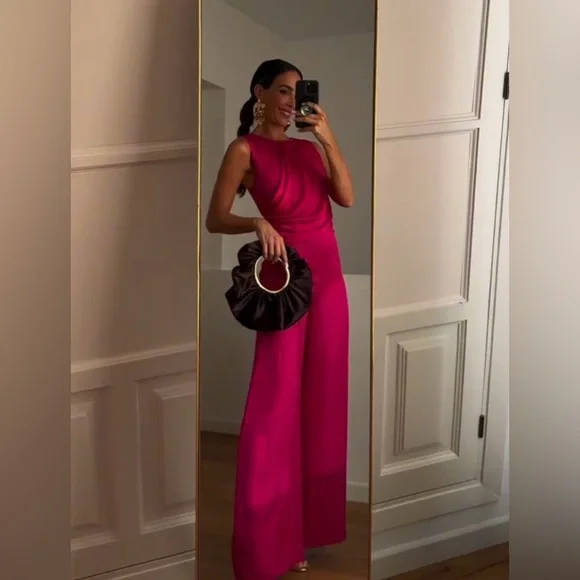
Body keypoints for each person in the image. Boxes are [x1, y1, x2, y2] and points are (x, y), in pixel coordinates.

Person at [205, 58, 354, 580]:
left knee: (322, 403)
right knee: (275, 406)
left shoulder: (311, 149)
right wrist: (257, 221)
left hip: (330, 284)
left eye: (298, 92)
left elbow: (346, 197)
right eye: (284, 91)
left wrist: (328, 137)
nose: (292, 101)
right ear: (259, 92)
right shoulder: (244, 149)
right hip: (287, 283)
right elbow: (215, 217)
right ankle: (266, 542)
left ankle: (301, 534)